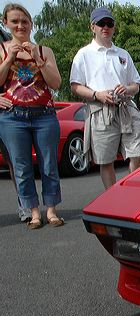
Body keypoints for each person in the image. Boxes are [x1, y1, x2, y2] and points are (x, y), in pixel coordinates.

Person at [69, 6, 140, 189]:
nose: (105, 27)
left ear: (113, 27)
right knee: (105, 160)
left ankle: (134, 194)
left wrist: (127, 88)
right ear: (93, 27)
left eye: (109, 23)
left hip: (126, 108)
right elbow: (75, 85)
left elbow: (136, 84)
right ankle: (114, 199)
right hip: (100, 110)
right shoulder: (83, 54)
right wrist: (97, 95)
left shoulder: (123, 54)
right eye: (101, 23)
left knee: (137, 154)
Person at [0, 3, 64, 229]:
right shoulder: (2, 49)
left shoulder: (45, 50)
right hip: (12, 117)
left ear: (31, 24)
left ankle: (52, 210)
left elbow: (56, 83)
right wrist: (9, 59)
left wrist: (38, 58)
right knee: (21, 167)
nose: (20, 25)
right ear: (5, 23)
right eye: (14, 21)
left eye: (24, 21)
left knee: (49, 165)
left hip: (44, 115)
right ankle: (33, 212)